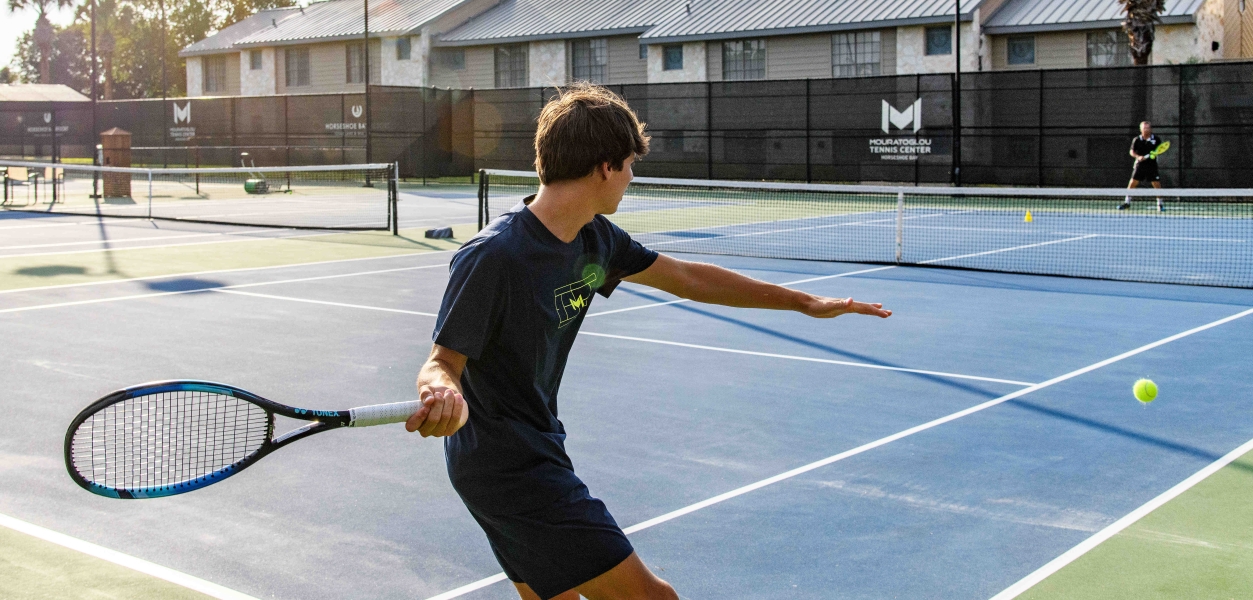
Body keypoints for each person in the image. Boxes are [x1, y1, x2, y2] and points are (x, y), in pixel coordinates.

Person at [403, 84, 892, 600]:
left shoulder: (596, 238)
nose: (633, 177)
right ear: (604, 167)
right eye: (630, 164)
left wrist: (802, 302)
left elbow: (688, 277)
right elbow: (441, 362)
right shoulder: (495, 256)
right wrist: (441, 392)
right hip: (504, 465)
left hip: (537, 445)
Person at [1120, 121, 1164, 211]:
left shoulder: (1156, 139)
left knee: (1157, 185)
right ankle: (1127, 202)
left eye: (1148, 128)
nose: (1146, 129)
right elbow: (1132, 151)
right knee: (1132, 184)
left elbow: (1160, 149)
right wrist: (1138, 157)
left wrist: (1153, 154)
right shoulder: (1136, 140)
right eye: (1144, 128)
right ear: (1141, 129)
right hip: (1140, 165)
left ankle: (1160, 204)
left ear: (1151, 129)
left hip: (1152, 165)